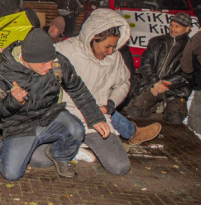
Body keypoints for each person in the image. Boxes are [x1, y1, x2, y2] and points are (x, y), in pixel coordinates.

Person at [0, 28, 110, 181]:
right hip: (20, 126)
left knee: (76, 129)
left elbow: (77, 88)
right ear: (27, 58)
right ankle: (0, 147)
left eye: (51, 60)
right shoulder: (3, 71)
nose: (50, 66)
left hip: (50, 115)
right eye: (44, 63)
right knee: (12, 174)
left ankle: (61, 156)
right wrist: (13, 100)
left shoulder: (58, 63)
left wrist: (95, 117)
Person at [53, 9, 161, 175]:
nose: (111, 51)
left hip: (98, 120)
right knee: (40, 158)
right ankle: (73, 146)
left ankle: (83, 144)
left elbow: (124, 83)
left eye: (114, 46)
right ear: (93, 38)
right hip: (66, 117)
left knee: (120, 166)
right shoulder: (66, 51)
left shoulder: (114, 58)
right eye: (107, 46)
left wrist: (110, 105)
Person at [126, 13, 193, 124]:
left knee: (174, 119)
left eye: (177, 26)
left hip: (175, 90)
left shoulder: (191, 47)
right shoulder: (156, 41)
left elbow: (188, 73)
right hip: (152, 85)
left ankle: (165, 105)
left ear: (187, 29)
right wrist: (155, 82)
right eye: (171, 25)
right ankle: (155, 104)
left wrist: (165, 84)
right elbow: (145, 64)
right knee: (134, 112)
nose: (173, 29)